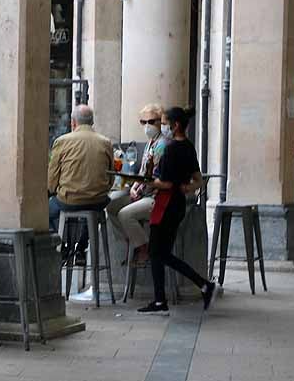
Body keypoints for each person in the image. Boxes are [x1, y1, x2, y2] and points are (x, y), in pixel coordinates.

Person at [138, 107, 215, 315]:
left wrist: (147, 182)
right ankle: (200, 286)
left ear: (175, 125)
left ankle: (163, 299)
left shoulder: (171, 149)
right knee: (161, 254)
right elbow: (198, 180)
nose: (162, 126)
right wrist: (186, 188)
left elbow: (166, 183)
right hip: (177, 204)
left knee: (157, 252)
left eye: (164, 122)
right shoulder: (189, 147)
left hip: (166, 204)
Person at [107, 104, 167, 263]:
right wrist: (134, 187)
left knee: (124, 214)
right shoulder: (150, 143)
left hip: (155, 197)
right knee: (111, 205)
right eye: (143, 122)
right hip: (144, 192)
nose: (147, 126)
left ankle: (143, 248)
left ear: (160, 122)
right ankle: (131, 239)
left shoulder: (162, 145)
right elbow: (143, 172)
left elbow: (155, 177)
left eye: (151, 121)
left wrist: (138, 190)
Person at [47, 104, 113, 236]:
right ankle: (81, 246)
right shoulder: (106, 142)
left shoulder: (61, 141)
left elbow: (52, 181)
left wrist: (54, 190)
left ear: (73, 122)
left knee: (43, 213)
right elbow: (110, 178)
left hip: (69, 201)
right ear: (92, 122)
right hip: (98, 201)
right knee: (89, 212)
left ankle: (62, 246)